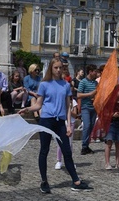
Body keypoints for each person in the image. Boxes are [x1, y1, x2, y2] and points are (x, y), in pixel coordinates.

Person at [18, 58, 93, 193]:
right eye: (56, 68)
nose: (58, 70)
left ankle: (76, 181)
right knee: (44, 150)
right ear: (51, 69)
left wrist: (69, 125)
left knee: (67, 151)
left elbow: (68, 106)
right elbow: (39, 104)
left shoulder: (65, 85)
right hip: (46, 120)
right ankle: (44, 181)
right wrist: (28, 109)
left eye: (60, 68)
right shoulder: (44, 84)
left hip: (60, 122)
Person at [77, 64, 99, 155]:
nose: (96, 73)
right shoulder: (83, 82)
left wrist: (96, 97)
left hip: (94, 107)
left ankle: (86, 145)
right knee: (87, 125)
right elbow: (78, 95)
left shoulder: (95, 83)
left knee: (91, 126)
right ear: (90, 72)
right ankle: (83, 146)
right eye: (95, 71)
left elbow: (97, 94)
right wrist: (90, 94)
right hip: (85, 107)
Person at [104, 95, 119, 171]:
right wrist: (112, 115)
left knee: (118, 144)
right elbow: (105, 114)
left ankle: (118, 163)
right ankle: (107, 163)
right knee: (109, 143)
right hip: (111, 124)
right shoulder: (110, 102)